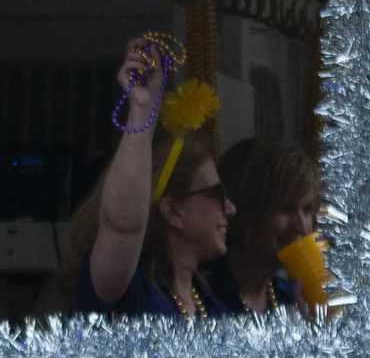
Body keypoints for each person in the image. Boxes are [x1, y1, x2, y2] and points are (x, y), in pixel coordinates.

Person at [55, 37, 234, 319]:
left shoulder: (213, 308)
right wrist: (142, 111)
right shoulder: (127, 292)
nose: (230, 208)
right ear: (173, 210)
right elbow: (122, 226)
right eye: (217, 193)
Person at [206, 138, 320, 316]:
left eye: (307, 210)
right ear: (246, 211)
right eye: (286, 209)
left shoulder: (290, 297)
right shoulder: (203, 295)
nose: (302, 226)